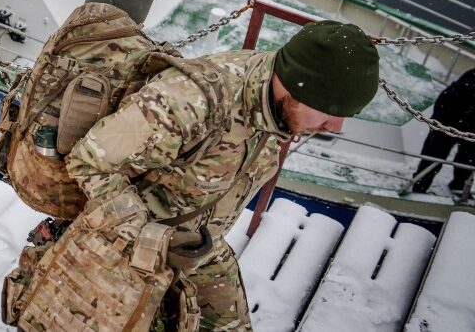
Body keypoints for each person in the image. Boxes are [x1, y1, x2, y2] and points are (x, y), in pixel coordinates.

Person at [56, 20, 380, 331]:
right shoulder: (188, 102)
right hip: (129, 243)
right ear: (298, 85)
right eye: (331, 111)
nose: (335, 128)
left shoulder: (275, 99)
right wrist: (148, 239)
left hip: (200, 247)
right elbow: (89, 161)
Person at [409, 69, 475, 199]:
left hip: (468, 113)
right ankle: (420, 186)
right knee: (436, 151)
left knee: (469, 155)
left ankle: (459, 186)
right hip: (450, 110)